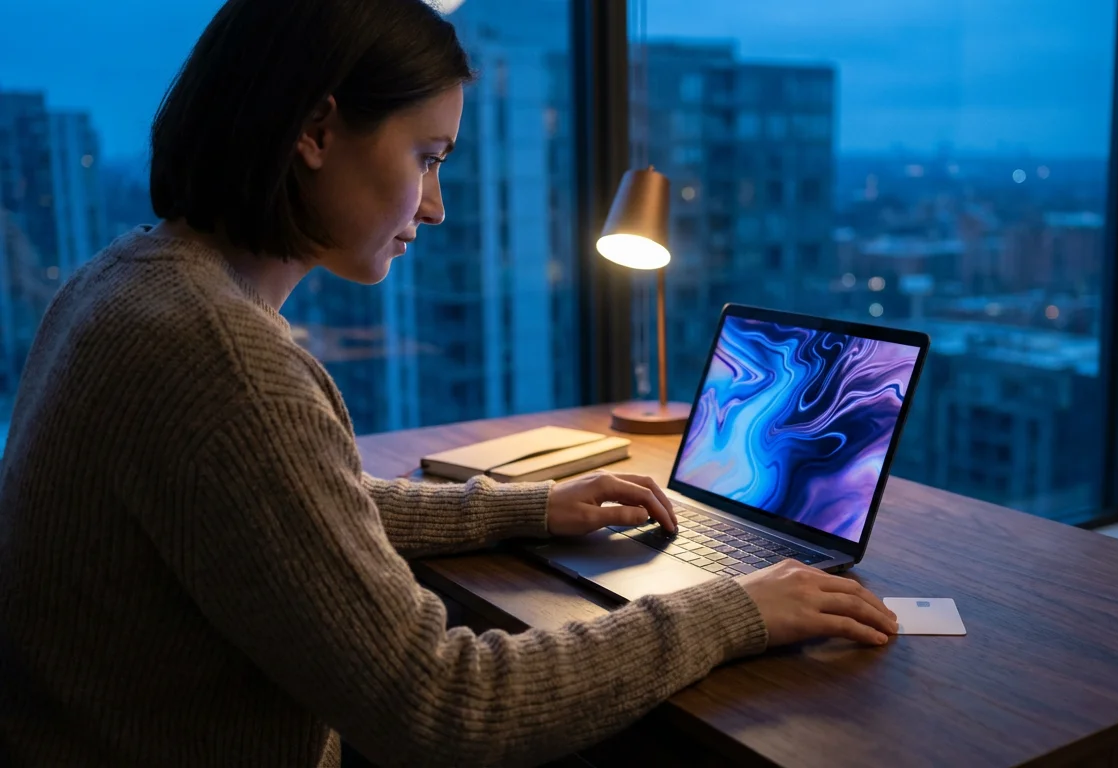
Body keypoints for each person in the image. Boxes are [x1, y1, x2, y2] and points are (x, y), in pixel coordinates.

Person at [0, 0, 898, 766]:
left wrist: (531, 510)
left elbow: (297, 513)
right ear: (314, 132)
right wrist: (733, 611)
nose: (434, 205)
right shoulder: (226, 364)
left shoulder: (129, 281)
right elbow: (440, 705)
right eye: (428, 157)